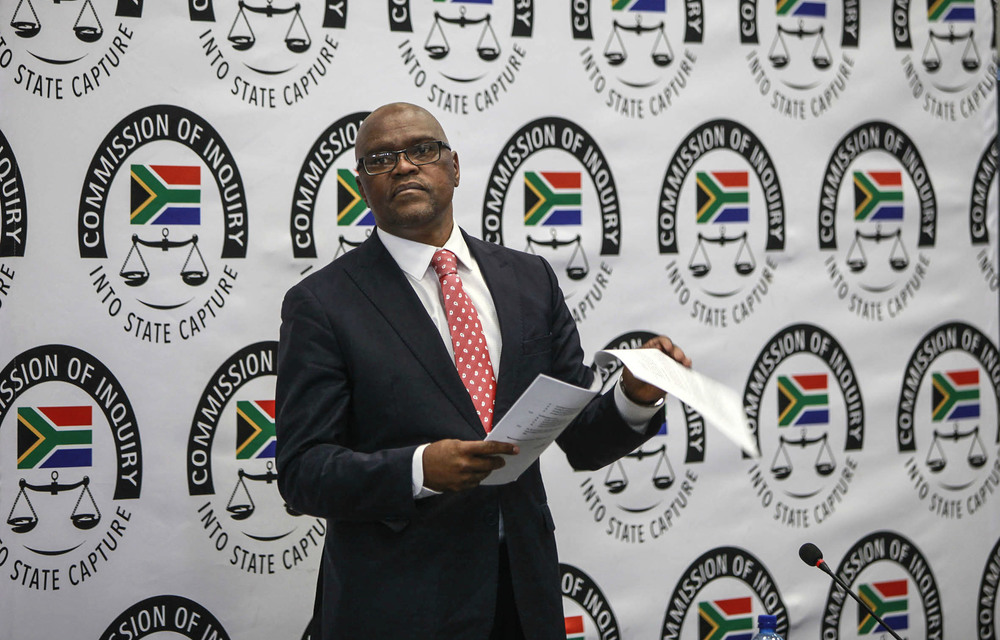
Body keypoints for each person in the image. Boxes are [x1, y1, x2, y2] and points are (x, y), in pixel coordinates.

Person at [275, 102, 690, 640]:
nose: (403, 166)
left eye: (422, 150)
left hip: (522, 594)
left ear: (454, 167)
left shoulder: (529, 279)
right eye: (380, 159)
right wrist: (420, 470)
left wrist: (634, 398)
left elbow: (580, 440)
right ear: (362, 186)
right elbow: (303, 472)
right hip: (398, 606)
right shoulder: (321, 303)